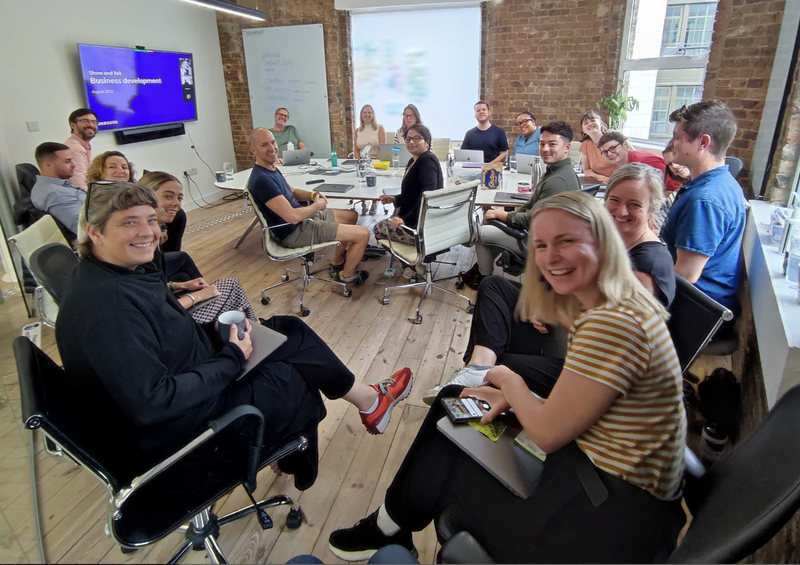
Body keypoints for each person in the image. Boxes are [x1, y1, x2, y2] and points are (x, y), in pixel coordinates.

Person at [329, 191, 687, 564]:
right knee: (456, 401)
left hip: (601, 522)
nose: (550, 257)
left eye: (567, 240)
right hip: (603, 482)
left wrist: (509, 382)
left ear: (601, 240)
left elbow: (548, 435)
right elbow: (602, 412)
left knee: (446, 469)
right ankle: (391, 526)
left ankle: (389, 529)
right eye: (542, 244)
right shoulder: (614, 305)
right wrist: (512, 398)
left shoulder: (610, 325)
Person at [55, 182, 414, 490]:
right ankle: (294, 458)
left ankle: (368, 401)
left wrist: (219, 338)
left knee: (286, 329)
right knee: (293, 377)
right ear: (95, 232)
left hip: (190, 372)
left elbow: (160, 334)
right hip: (178, 428)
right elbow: (155, 403)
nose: (148, 232)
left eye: (150, 220)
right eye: (129, 223)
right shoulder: (109, 309)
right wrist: (231, 358)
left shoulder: (119, 273)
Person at [427, 163, 676, 402]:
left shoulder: (647, 266)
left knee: (502, 364)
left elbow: (605, 338)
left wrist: (552, 311)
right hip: (563, 331)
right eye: (614, 200)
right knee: (494, 286)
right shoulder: (613, 241)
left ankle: (480, 379)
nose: (621, 211)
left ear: (652, 210)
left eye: (634, 204)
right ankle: (477, 369)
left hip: (586, 364)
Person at [459, 121, 580, 290]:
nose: (545, 149)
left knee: (480, 233)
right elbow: (531, 204)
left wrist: (501, 215)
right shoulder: (558, 171)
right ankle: (479, 271)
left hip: (540, 244)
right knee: (491, 226)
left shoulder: (557, 181)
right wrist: (505, 218)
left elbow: (533, 220)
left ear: (566, 148)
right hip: (544, 236)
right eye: (542, 143)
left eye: (552, 144)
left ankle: (482, 280)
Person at [248, 128, 371, 286]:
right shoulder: (262, 180)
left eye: (273, 142)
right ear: (254, 150)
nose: (272, 148)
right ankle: (347, 276)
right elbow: (292, 217)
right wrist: (316, 205)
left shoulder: (270, 168)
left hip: (304, 219)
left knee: (351, 216)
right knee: (363, 234)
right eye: (265, 145)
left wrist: (313, 195)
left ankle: (338, 261)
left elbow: (292, 191)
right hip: (295, 231)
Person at [661, 99, 746, 317]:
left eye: (677, 137)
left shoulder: (705, 200)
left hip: (697, 313)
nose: (672, 144)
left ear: (703, 142)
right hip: (698, 301)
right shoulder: (720, 181)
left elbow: (686, 276)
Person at [374, 124, 442, 278]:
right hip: (419, 220)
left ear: (427, 141)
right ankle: (415, 260)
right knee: (388, 223)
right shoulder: (415, 160)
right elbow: (413, 194)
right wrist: (394, 198)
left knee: (378, 229)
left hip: (421, 225)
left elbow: (427, 197)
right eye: (408, 139)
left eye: (417, 138)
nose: (412, 142)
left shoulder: (426, 162)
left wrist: (405, 219)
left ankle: (413, 261)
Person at [597, 131, 681, 193]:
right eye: (605, 152)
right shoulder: (622, 166)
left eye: (612, 148)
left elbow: (660, 190)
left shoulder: (645, 161)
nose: (609, 154)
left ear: (625, 145)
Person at [30, 142, 85, 235]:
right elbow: (83, 230)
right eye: (68, 161)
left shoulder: (55, 186)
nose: (74, 165)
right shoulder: (55, 194)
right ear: (48, 165)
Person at [138, 171, 187, 252]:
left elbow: (172, 252)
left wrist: (160, 225)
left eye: (179, 198)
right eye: (168, 196)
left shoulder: (178, 216)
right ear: (145, 196)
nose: (177, 203)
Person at [354, 104, 387, 216]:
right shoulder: (358, 131)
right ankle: (364, 201)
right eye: (365, 112)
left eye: (370, 112)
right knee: (361, 179)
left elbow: (383, 148)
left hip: (377, 161)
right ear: (361, 115)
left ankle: (375, 201)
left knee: (374, 180)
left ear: (373, 115)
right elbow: (356, 149)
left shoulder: (379, 128)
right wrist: (359, 161)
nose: (367, 114)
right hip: (362, 161)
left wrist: (374, 161)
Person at [460, 101, 508, 165]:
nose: (481, 112)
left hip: (493, 170)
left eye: (484, 109)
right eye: (478, 110)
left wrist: (488, 165)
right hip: (473, 170)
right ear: (474, 114)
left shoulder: (499, 132)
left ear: (489, 113)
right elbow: (464, 154)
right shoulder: (469, 134)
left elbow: (503, 154)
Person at [64, 108, 97, 190]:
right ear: (73, 125)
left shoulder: (82, 145)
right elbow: (80, 184)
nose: (91, 125)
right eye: (85, 121)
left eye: (93, 122)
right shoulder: (74, 147)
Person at [578, 110, 615, 181]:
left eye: (593, 120)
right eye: (586, 123)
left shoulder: (614, 139)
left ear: (601, 123)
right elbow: (586, 170)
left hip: (617, 181)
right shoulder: (585, 144)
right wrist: (601, 178)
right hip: (598, 183)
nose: (590, 124)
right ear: (583, 130)